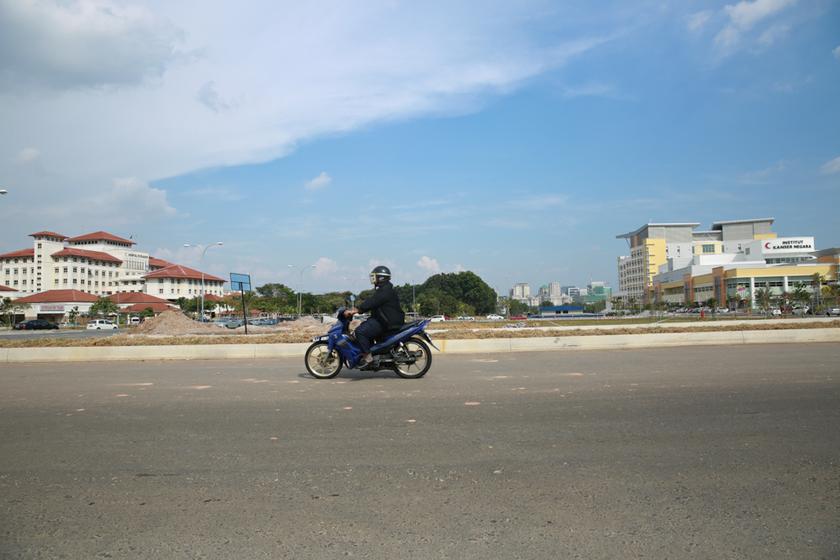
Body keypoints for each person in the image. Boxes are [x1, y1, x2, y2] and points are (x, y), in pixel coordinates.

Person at [343, 265, 405, 366]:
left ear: (381, 278)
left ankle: (368, 357)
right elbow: (373, 302)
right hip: (385, 320)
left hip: (386, 322)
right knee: (365, 326)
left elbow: (372, 302)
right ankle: (373, 352)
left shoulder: (385, 291)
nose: (373, 279)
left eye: (375, 276)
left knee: (360, 332)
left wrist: (357, 310)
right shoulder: (385, 289)